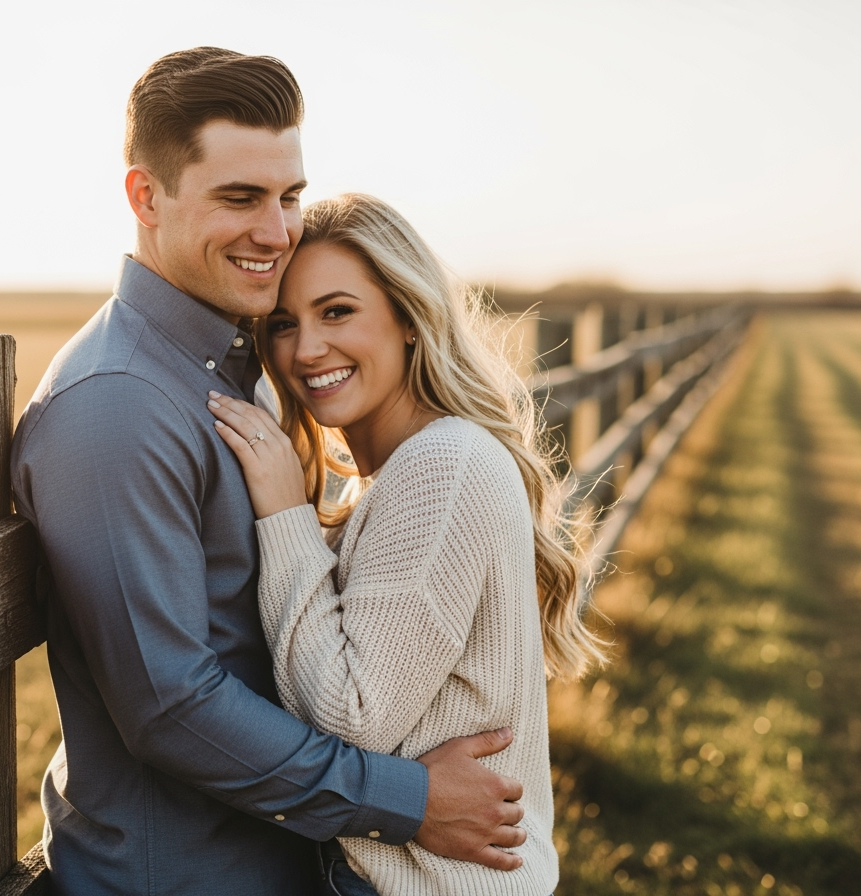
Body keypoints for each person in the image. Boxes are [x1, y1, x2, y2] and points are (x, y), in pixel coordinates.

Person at [10, 48, 529, 896]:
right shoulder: (116, 406)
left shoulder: (226, 362)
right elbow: (169, 706)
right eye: (240, 198)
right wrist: (408, 799)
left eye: (289, 196)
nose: (277, 230)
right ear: (147, 196)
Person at [205, 193, 606, 895]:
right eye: (281, 324)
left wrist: (283, 516)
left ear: (409, 319)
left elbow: (350, 720)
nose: (306, 350)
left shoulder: (439, 468)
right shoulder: (406, 470)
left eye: (337, 312)